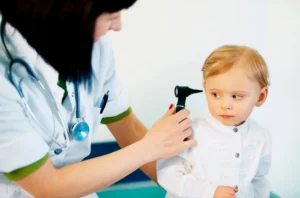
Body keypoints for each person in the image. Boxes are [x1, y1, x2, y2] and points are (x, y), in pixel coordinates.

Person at [0, 1, 196, 197]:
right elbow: (48, 186)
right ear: (68, 14)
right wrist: (151, 147)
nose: (118, 26)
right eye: (110, 17)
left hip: (78, 187)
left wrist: (190, 188)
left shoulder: (95, 51)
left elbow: (130, 131)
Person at [157, 45, 272, 198]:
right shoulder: (190, 130)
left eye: (236, 96)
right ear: (206, 88)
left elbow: (259, 180)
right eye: (216, 94)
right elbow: (168, 174)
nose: (225, 105)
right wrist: (208, 192)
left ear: (260, 96)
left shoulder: (260, 136)